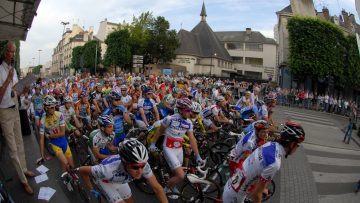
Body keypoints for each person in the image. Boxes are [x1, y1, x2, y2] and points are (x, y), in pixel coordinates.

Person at [222, 121, 305, 203]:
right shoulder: (274, 163)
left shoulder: (270, 144)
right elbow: (256, 194)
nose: (297, 148)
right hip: (235, 197)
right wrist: (261, 190)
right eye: (297, 145)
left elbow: (255, 169)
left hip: (232, 187)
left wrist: (262, 188)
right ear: (292, 144)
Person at [79, 139, 168, 203]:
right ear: (125, 163)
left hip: (121, 179)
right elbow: (83, 170)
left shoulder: (142, 163)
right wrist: (91, 189)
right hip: (105, 181)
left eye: (143, 166)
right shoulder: (106, 170)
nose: (140, 171)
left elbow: (157, 188)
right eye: (135, 167)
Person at [148, 98, 205, 196]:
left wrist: (197, 155)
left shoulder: (189, 123)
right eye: (188, 110)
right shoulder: (169, 119)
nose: (190, 113)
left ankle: (172, 185)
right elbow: (160, 131)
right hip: (168, 148)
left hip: (178, 149)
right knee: (181, 175)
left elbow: (192, 139)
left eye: (191, 110)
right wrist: (153, 144)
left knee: (174, 172)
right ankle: (165, 189)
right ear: (181, 110)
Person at [0, 41, 35, 195]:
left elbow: (15, 92)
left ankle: (25, 169)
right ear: (5, 52)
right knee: (13, 149)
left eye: (15, 52)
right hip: (4, 112)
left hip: (15, 109)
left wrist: (24, 88)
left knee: (20, 142)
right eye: (11, 51)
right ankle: (23, 180)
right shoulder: (1, 70)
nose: (13, 55)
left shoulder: (13, 70)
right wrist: (7, 79)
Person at [38, 95, 75, 172]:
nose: (54, 109)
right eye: (51, 107)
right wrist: (42, 155)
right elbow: (41, 139)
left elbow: (62, 133)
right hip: (55, 144)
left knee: (72, 166)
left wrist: (50, 136)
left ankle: (66, 178)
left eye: (54, 107)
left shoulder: (59, 115)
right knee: (66, 164)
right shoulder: (42, 121)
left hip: (63, 140)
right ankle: (66, 177)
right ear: (46, 108)